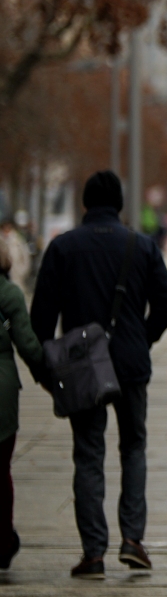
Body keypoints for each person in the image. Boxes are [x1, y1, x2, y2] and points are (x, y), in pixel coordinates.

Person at [31, 170, 167, 579]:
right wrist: (141, 340)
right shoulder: (142, 246)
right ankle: (133, 540)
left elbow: (39, 319)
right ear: (120, 205)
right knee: (133, 448)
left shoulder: (63, 248)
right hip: (130, 366)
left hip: (82, 370)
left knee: (89, 455)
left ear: (84, 204)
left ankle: (93, 552)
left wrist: (47, 369)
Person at [0, 232, 48, 572]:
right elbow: (29, 347)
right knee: (1, 471)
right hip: (2, 397)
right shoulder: (9, 295)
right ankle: (2, 541)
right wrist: (51, 380)